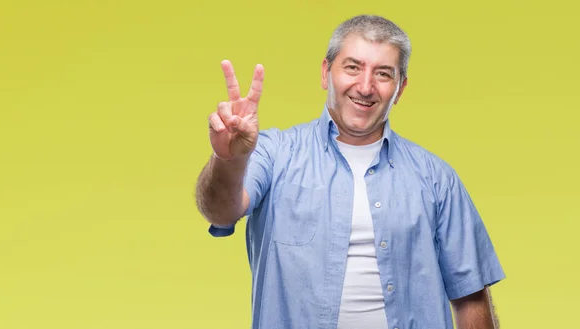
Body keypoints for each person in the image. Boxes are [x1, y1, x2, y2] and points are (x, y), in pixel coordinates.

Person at [195, 14, 505, 329]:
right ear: (326, 72)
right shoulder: (272, 153)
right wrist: (228, 158)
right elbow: (221, 212)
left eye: (383, 74)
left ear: (399, 89)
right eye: (353, 67)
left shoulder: (437, 179)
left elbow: (471, 297)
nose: (366, 86)